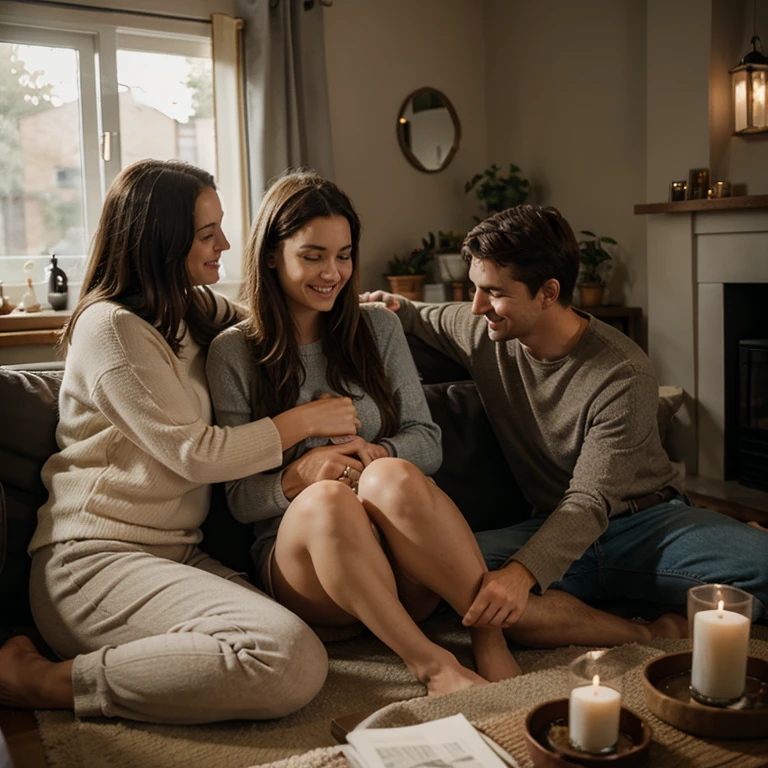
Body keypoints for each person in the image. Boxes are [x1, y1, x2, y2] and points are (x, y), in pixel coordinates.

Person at [0, 159, 365, 724]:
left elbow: (276, 320)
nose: (225, 242)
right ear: (160, 239)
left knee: (313, 639)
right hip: (93, 560)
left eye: (220, 225)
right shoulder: (111, 328)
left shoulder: (192, 308)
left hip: (176, 554)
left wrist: (385, 311)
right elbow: (195, 452)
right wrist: (307, 420)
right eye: (206, 233)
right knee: (284, 658)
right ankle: (44, 681)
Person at [361, 204, 768, 643]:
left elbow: (591, 500)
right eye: (475, 289)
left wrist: (521, 574)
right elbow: (414, 312)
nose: (477, 307)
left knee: (762, 565)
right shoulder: (483, 328)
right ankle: (647, 633)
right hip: (548, 524)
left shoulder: (623, 372)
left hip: (643, 524)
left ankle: (712, 540)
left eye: (493, 293)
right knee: (437, 577)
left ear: (548, 292)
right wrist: (382, 304)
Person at [206, 171, 521, 696]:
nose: (333, 272)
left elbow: (428, 441)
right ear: (270, 255)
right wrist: (299, 476)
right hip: (311, 577)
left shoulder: (378, 327)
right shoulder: (234, 353)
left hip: (404, 570)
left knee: (392, 474)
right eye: (312, 255)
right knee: (327, 499)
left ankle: (489, 637)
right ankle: (431, 665)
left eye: (344, 255)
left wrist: (374, 455)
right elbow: (239, 500)